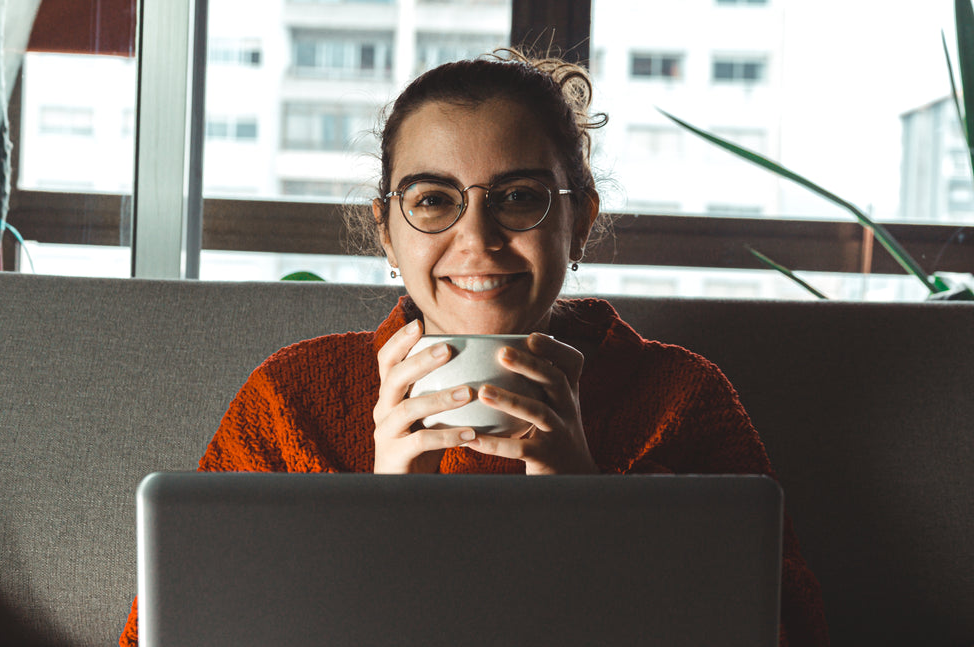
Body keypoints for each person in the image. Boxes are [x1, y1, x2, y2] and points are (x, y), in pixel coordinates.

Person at [119, 50, 828, 646]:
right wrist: (382, 517)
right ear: (388, 232)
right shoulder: (291, 397)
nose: (478, 239)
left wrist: (586, 505)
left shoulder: (680, 398)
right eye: (432, 199)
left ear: (579, 222)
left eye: (519, 197)